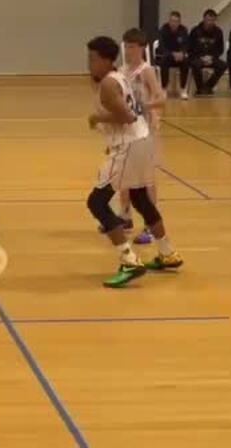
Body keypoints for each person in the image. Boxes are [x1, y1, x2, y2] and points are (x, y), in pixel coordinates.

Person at [84, 36, 182, 288]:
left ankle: (129, 260)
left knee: (96, 202)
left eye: (93, 59)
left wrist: (98, 117)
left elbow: (126, 115)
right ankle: (167, 252)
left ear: (106, 60)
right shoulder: (120, 76)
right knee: (139, 198)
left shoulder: (108, 83)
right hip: (142, 139)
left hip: (128, 144)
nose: (89, 63)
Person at [113, 29, 166, 246]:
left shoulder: (146, 71)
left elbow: (161, 98)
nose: (128, 50)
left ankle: (151, 225)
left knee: (145, 180)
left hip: (144, 130)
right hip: (126, 130)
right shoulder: (122, 70)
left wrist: (147, 105)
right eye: (126, 46)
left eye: (132, 46)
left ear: (142, 48)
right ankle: (125, 216)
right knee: (124, 175)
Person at [188, 9, 226, 96]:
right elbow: (190, 47)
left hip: (212, 58)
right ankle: (200, 88)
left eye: (212, 20)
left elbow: (220, 49)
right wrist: (201, 57)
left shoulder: (218, 32)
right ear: (204, 19)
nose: (210, 22)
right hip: (197, 57)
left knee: (223, 65)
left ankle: (208, 86)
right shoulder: (195, 31)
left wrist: (211, 57)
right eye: (208, 20)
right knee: (195, 65)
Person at [157, 11, 190, 99]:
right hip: (168, 56)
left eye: (176, 21)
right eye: (172, 21)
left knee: (186, 62)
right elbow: (161, 47)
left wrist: (182, 53)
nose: (173, 23)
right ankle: (164, 88)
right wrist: (172, 54)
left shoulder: (183, 30)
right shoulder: (163, 30)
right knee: (163, 62)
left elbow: (186, 45)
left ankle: (183, 89)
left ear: (179, 22)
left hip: (180, 57)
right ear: (169, 21)